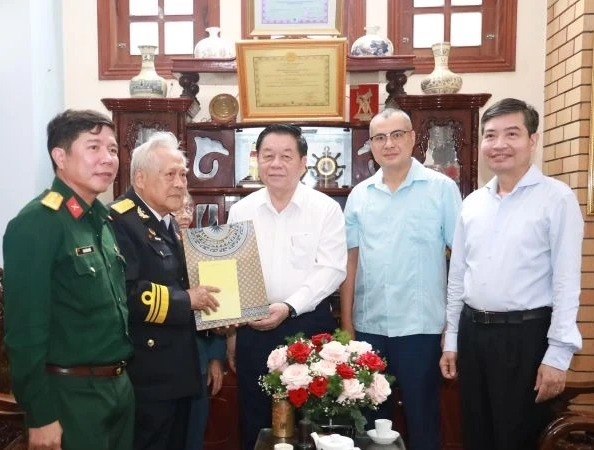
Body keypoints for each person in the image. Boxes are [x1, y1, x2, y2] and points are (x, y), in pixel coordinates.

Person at [439, 98, 584, 450]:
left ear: (532, 139)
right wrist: (452, 341)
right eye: (490, 135)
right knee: (476, 433)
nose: (499, 144)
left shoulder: (557, 199)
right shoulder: (473, 202)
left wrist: (557, 356)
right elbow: (458, 277)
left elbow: (567, 283)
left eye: (512, 134)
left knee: (518, 438)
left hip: (526, 338)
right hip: (475, 336)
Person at [2, 109, 133, 450]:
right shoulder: (39, 223)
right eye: (94, 148)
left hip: (118, 389)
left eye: (113, 149)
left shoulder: (101, 220)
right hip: (71, 396)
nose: (108, 159)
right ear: (59, 156)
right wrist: (40, 414)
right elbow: (24, 331)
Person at [340, 108, 462, 450]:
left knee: (423, 418)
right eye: (379, 137)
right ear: (371, 145)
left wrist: (451, 330)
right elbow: (350, 261)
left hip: (421, 329)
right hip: (369, 327)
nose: (388, 143)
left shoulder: (441, 189)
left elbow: (462, 261)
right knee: (369, 421)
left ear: (412, 138)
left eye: (397, 135)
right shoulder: (360, 196)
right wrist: (348, 324)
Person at [226, 124, 347, 450]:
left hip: (307, 327)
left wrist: (289, 306)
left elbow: (332, 269)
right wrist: (233, 334)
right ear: (257, 160)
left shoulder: (325, 209)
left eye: (285, 156)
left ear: (303, 162)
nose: (276, 163)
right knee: (256, 417)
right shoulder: (240, 211)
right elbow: (233, 274)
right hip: (255, 328)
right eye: (268, 156)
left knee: (312, 420)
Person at [108, 132, 220, 450]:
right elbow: (126, 294)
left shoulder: (164, 221)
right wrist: (189, 300)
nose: (180, 183)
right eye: (169, 174)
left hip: (177, 370)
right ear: (140, 179)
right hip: (148, 374)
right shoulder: (120, 220)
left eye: (183, 174)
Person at [174, 192, 227, 450]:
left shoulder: (206, 249)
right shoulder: (151, 246)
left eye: (188, 208)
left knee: (195, 431)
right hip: (161, 360)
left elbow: (218, 306)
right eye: (178, 209)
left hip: (199, 356)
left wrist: (216, 357)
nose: (184, 215)